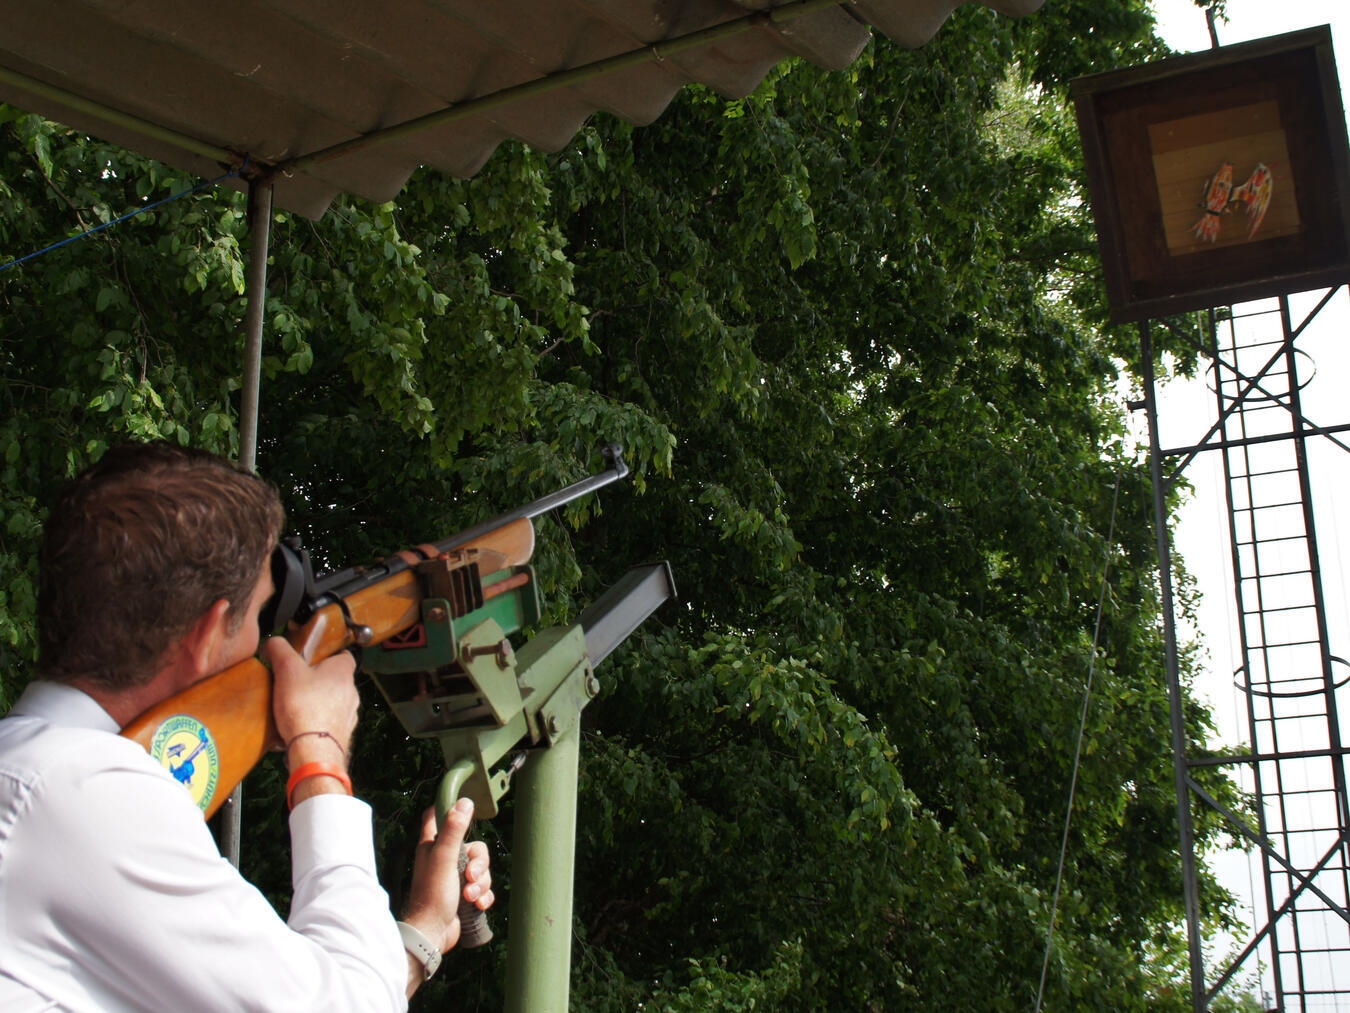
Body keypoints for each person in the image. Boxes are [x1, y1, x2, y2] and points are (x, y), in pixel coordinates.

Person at [0, 441, 493, 1010]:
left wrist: (425, 930)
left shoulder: (44, 782)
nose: (266, 640)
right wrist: (320, 753)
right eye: (261, 616)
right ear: (208, 634)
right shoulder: (85, 795)